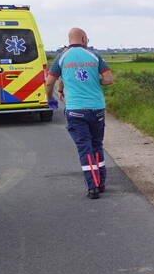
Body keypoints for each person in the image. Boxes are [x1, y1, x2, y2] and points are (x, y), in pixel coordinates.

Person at [44, 28, 114, 199]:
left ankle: (92, 187)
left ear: (70, 39)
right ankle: (101, 182)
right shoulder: (94, 56)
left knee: (85, 148)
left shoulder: (62, 57)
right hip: (96, 108)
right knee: (97, 144)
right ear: (83, 39)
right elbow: (108, 79)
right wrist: (95, 80)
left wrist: (51, 99)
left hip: (75, 110)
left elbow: (49, 82)